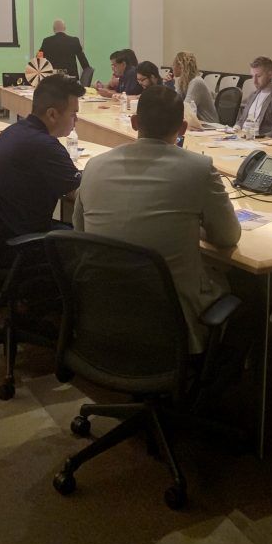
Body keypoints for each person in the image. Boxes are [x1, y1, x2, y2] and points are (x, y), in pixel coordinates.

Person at [73, 84, 241, 353]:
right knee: (249, 286)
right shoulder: (199, 169)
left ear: (134, 122)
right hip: (173, 315)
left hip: (104, 308)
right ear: (183, 129)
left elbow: (81, 234)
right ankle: (220, 384)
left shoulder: (94, 167)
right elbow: (227, 237)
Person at [0, 73, 84, 240]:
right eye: (73, 114)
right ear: (52, 114)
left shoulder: (16, 130)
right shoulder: (45, 146)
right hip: (21, 239)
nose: (76, 119)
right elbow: (81, 195)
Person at [234, 56, 272, 137]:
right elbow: (241, 120)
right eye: (252, 76)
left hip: (258, 143)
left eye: (258, 76)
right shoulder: (252, 95)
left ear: (270, 74)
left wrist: (253, 137)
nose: (254, 81)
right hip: (241, 138)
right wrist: (236, 127)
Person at [173, 51, 218, 125]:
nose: (172, 67)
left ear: (181, 66)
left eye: (174, 64)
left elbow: (187, 109)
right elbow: (176, 103)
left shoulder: (196, 82)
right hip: (197, 124)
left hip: (209, 125)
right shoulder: (183, 82)